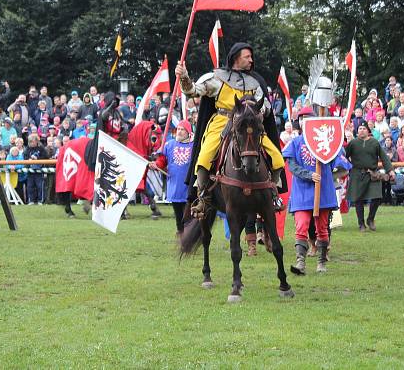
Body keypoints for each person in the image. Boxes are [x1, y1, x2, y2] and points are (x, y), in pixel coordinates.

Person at [176, 42, 284, 220]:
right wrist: (184, 76)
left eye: (251, 56)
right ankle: (203, 197)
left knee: (277, 158)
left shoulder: (254, 82)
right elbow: (193, 91)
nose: (251, 60)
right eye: (247, 57)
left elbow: (265, 105)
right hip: (222, 121)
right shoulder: (217, 78)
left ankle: (272, 195)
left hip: (248, 126)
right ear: (236, 58)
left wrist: (259, 110)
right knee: (204, 158)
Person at [283, 107, 352, 274]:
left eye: (307, 118)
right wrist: (309, 174)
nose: (303, 121)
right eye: (301, 118)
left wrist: (331, 173)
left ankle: (321, 263)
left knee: (322, 228)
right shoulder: (295, 142)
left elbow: (342, 166)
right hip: (303, 191)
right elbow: (292, 166)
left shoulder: (327, 140)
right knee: (301, 225)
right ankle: (300, 262)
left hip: (323, 191)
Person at [345, 122, 394, 231]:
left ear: (368, 130)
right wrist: (346, 167)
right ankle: (361, 223)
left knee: (376, 197)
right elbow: (344, 156)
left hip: (372, 174)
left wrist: (390, 170)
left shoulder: (374, 143)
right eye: (360, 128)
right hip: (357, 174)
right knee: (358, 200)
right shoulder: (353, 143)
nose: (361, 130)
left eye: (364, 128)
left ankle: (370, 219)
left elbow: (384, 157)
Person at [151, 120, 194, 237]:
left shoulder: (194, 146)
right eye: (178, 129)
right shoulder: (169, 144)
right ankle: (181, 234)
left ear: (188, 132)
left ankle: (188, 235)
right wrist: (156, 165)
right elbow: (162, 160)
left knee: (188, 214)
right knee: (178, 214)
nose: (179, 132)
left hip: (188, 186)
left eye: (182, 129)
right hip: (174, 185)